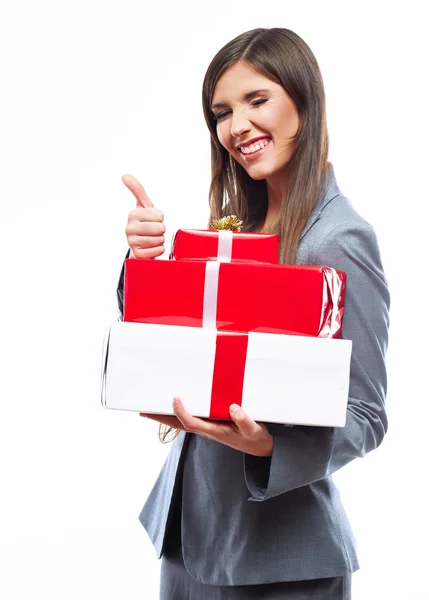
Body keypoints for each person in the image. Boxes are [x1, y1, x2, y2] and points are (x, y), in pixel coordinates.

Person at [116, 27, 390, 600]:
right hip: (191, 538)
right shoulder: (238, 229)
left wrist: (269, 446)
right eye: (222, 111)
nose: (236, 125)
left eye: (256, 100)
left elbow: (365, 414)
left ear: (303, 101)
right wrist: (144, 262)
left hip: (280, 563)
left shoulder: (337, 239)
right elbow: (176, 343)